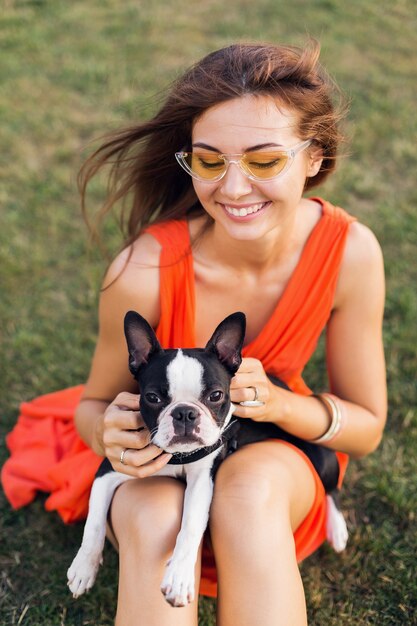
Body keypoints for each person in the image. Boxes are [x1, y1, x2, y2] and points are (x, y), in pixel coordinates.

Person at [5, 40, 386, 626]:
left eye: (264, 160)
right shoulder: (142, 270)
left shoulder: (349, 253)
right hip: (154, 467)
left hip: (268, 456)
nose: (233, 189)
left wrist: (281, 404)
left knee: (248, 490)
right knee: (157, 514)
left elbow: (364, 429)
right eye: (210, 161)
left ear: (314, 156)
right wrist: (108, 433)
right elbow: (91, 406)